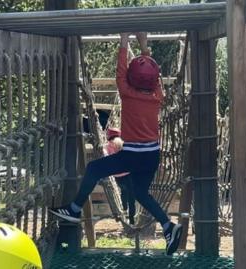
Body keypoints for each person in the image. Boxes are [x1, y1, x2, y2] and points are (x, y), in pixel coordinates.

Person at [49, 32, 183, 255]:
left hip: (133, 154)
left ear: (132, 79)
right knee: (140, 192)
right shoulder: (157, 95)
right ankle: (168, 225)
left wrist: (123, 40)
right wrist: (143, 44)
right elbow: (152, 75)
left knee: (93, 168)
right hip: (152, 155)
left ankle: (74, 209)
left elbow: (122, 72)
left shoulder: (127, 94)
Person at [104, 127, 136, 225]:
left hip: (117, 176)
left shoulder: (106, 146)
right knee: (132, 196)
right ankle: (131, 219)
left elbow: (106, 157)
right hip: (128, 174)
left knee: (123, 191)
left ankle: (124, 209)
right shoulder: (123, 144)